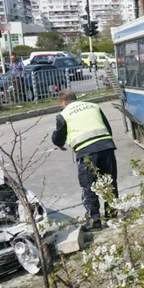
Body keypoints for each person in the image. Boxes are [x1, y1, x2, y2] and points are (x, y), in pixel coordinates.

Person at [51, 89, 119, 230]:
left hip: (87, 152)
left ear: (63, 102)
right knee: (110, 182)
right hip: (106, 147)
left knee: (89, 186)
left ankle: (94, 222)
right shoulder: (94, 107)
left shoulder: (63, 114)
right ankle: (112, 216)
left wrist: (59, 144)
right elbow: (107, 128)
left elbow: (58, 136)